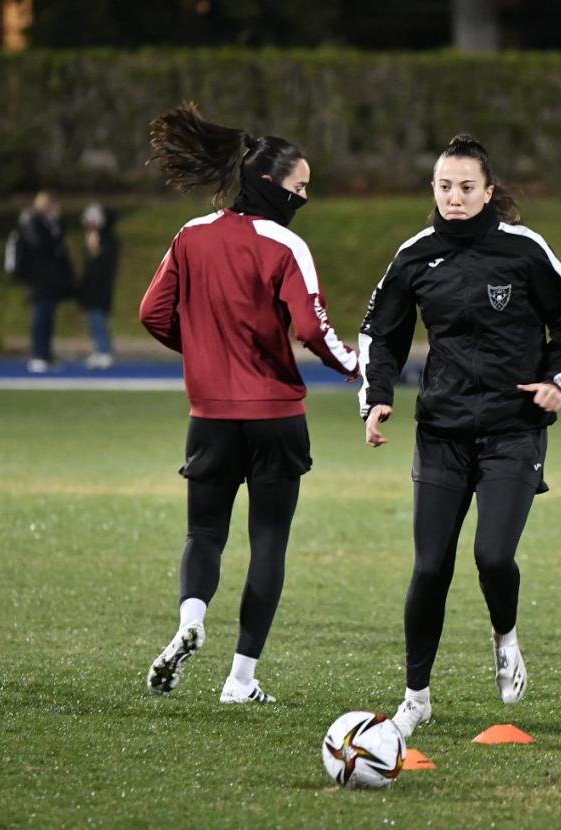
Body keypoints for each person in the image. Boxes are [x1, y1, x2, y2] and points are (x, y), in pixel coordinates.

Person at [359, 134, 561, 737]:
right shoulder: (415, 256)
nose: (454, 197)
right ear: (433, 190)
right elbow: (379, 334)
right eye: (444, 186)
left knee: (492, 555)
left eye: (466, 187)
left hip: (513, 430)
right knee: (430, 566)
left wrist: (559, 382)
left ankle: (506, 635)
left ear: (488, 192)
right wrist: (377, 396)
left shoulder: (523, 250)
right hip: (441, 432)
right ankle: (416, 695)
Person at [139, 104, 360, 704]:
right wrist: (357, 367)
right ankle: (240, 680)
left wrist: (206, 354)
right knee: (268, 542)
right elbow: (313, 330)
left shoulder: (191, 235)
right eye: (300, 187)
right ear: (270, 184)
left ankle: (190, 620)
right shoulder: (285, 243)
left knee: (204, 532)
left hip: (208, 417)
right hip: (275, 417)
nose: (304, 198)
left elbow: (152, 312)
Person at [9, 191, 75, 373]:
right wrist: (54, 226)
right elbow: (43, 247)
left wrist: (56, 222)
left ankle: (45, 354)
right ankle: (37, 355)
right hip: (39, 279)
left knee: (48, 319)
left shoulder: (50, 223)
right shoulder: (32, 222)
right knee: (40, 318)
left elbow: (58, 243)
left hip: (50, 280)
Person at [78, 202, 120, 370]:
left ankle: (105, 351)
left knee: (98, 317)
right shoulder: (96, 238)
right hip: (92, 286)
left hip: (101, 286)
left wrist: (94, 250)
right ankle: (99, 349)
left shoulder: (108, 240)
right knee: (92, 318)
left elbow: (101, 265)